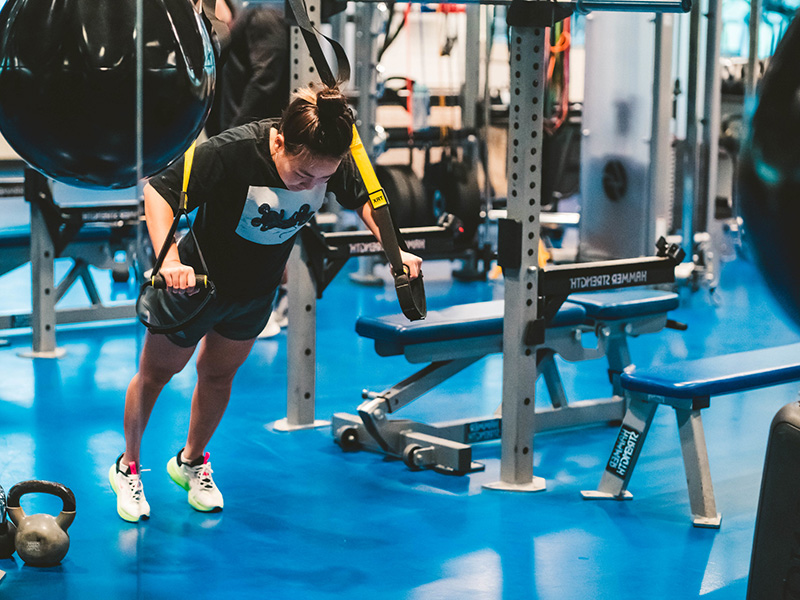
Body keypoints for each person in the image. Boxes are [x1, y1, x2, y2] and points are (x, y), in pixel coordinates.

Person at [109, 85, 423, 522]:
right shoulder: (233, 151)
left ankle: (191, 462)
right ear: (278, 142)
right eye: (301, 177)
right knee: (157, 375)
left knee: (217, 376)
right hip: (194, 286)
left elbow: (366, 199)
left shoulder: (326, 154)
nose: (312, 186)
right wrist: (172, 261)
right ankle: (127, 467)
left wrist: (396, 250)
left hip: (253, 292)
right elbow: (159, 192)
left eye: (322, 180)